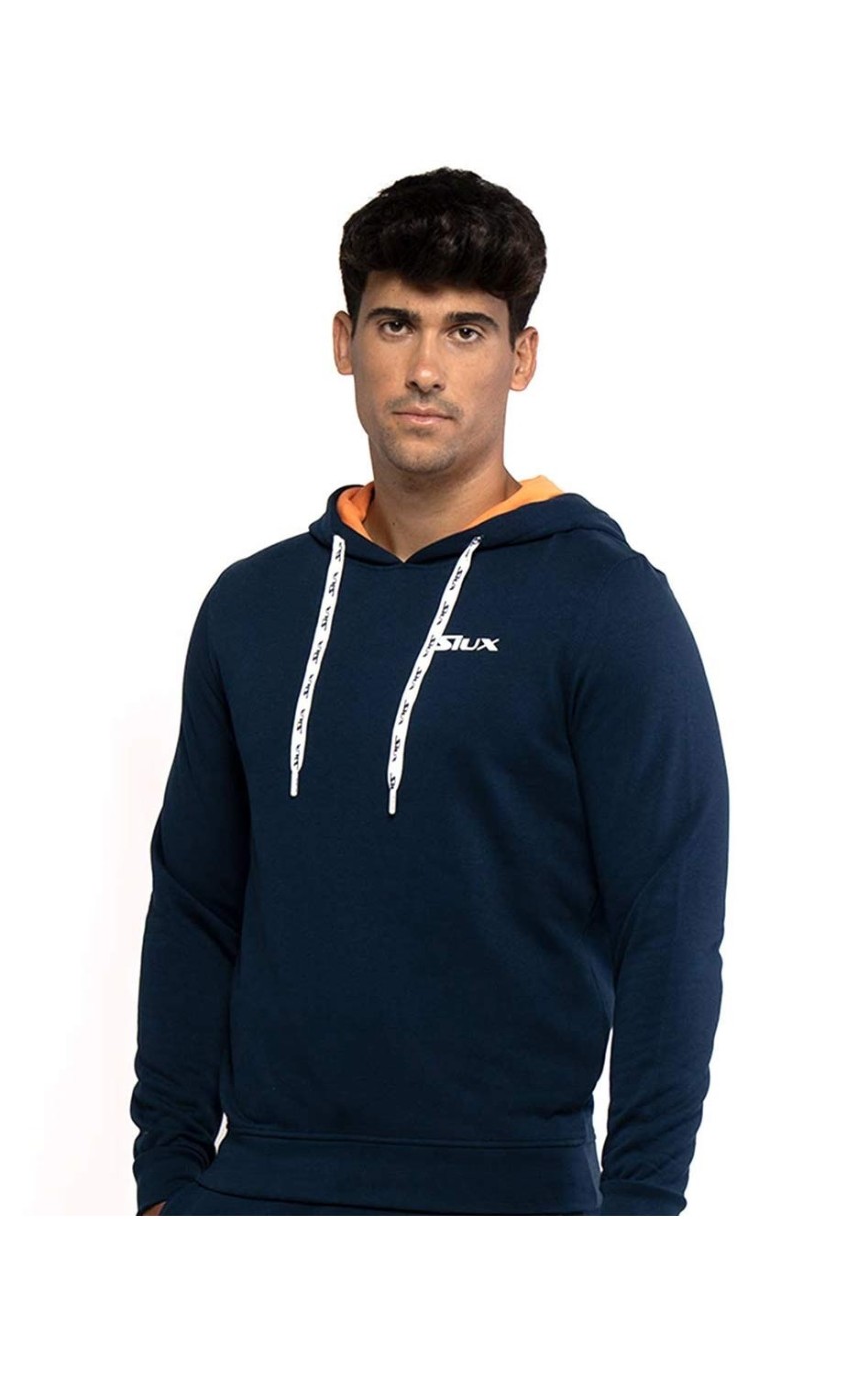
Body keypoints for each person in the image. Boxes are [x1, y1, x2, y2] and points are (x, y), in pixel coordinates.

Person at [130, 168, 730, 1216]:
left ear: (521, 358)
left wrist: (639, 1215)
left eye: (466, 330)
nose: (423, 367)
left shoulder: (607, 604)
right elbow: (194, 904)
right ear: (343, 342)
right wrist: (167, 1180)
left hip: (516, 1201)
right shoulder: (252, 607)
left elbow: (669, 922)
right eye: (395, 322)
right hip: (256, 1191)